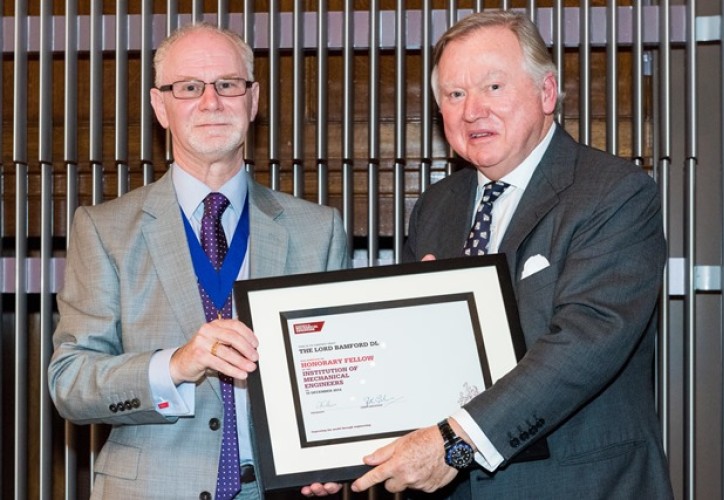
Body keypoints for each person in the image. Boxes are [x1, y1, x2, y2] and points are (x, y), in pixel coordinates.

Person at [304, 9, 673, 499]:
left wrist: (455, 443)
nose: (472, 110)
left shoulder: (615, 193)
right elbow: (405, 361)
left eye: (493, 87)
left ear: (546, 93)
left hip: (579, 485)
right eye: (455, 95)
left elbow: (585, 342)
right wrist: (347, 450)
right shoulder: (437, 206)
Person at [48, 22, 349, 500]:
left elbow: (339, 373)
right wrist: (177, 365)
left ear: (252, 101)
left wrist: (336, 456)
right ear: (159, 106)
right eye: (188, 87)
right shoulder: (104, 228)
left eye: (228, 85)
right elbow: (70, 383)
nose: (211, 102)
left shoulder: (319, 229)